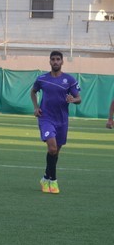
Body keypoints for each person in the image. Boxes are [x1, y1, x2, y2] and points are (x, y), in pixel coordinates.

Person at [30, 51, 82, 194]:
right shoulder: (42, 78)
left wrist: (73, 99)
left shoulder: (69, 80)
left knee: (55, 152)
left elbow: (79, 98)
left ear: (62, 62)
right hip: (46, 118)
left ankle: (46, 177)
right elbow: (33, 92)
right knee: (52, 148)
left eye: (58, 59)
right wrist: (35, 107)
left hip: (62, 120)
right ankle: (53, 180)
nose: (55, 62)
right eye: (53, 59)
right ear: (49, 62)